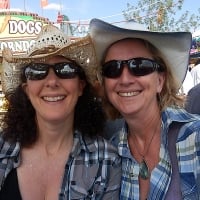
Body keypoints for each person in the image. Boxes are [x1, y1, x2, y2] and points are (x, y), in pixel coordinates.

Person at [0, 24, 121, 200]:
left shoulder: (106, 160)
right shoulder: (2, 148)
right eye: (37, 71)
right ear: (26, 89)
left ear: (80, 86)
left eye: (65, 70)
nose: (52, 82)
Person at [89, 18, 200, 199]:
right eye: (112, 68)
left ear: (160, 80)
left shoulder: (194, 137)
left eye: (139, 66)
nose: (125, 79)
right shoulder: (112, 151)